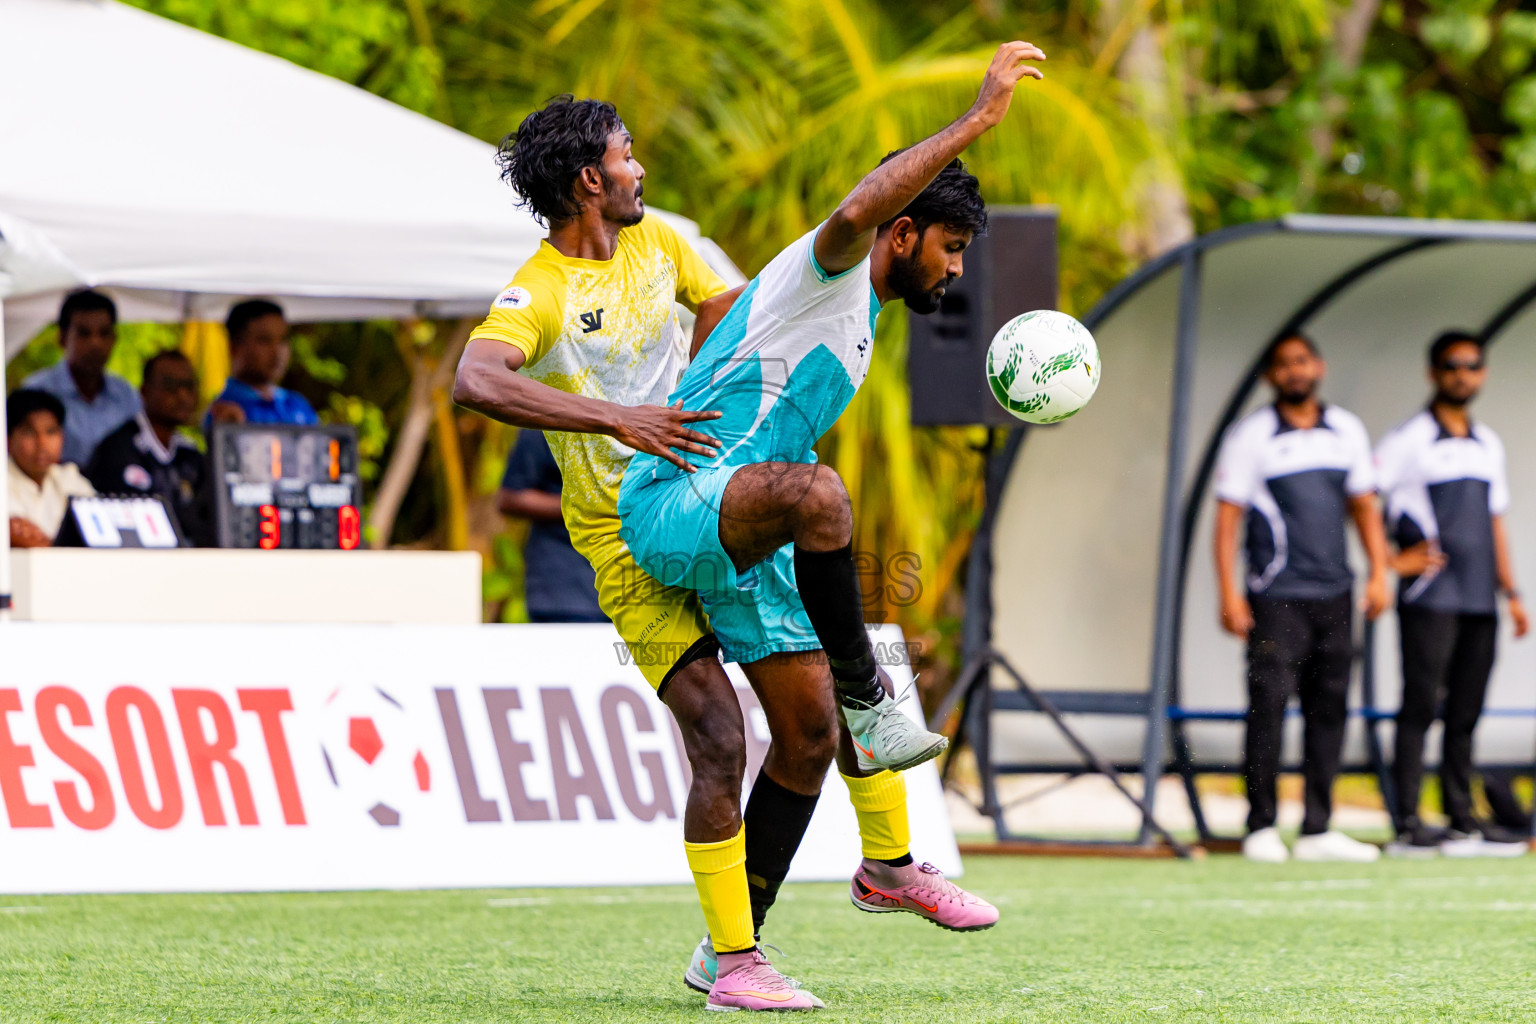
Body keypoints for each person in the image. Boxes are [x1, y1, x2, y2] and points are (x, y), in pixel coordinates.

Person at [453, 79, 1003, 1009]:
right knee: (719, 735)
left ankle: (863, 878)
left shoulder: (660, 241)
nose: (640, 169)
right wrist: (618, 418)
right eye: (627, 156)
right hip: (634, 535)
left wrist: (728, 389)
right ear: (591, 179)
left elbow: (740, 310)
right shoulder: (539, 292)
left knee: (811, 730)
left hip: (721, 502)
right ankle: (747, 952)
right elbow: (474, 378)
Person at [1213, 334, 1391, 864]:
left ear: (1318, 366)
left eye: (1302, 360)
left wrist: (1380, 572)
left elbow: (1364, 508)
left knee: (1329, 709)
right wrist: (1229, 592)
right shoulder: (1253, 437)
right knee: (1268, 707)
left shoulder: (1347, 432)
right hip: (1276, 597)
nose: (1295, 370)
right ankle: (1261, 825)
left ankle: (1318, 828)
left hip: (1336, 595)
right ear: (1271, 375)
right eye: (1283, 364)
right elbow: (1227, 523)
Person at [1375, 331, 1529, 857]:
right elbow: (1362, 497)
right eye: (1452, 365)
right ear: (1433, 372)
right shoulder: (1409, 439)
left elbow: (1496, 522)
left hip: (1479, 599)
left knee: (1466, 711)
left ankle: (1461, 818)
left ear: (1482, 373)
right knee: (1420, 707)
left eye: (1472, 365)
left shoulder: (1488, 444)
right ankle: (1408, 822)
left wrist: (1512, 592)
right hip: (1429, 598)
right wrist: (1390, 563)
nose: (1463, 374)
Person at [85, 350, 212, 547]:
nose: (182, 395)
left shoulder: (192, 455)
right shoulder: (117, 449)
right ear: (144, 391)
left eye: (189, 386)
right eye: (170, 385)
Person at [497, 429, 607, 623]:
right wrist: (588, 507)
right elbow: (510, 497)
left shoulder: (645, 408)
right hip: (564, 584)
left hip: (632, 583)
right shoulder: (547, 417)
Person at [22, 289, 141, 467]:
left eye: (104, 333)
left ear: (114, 339)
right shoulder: (36, 391)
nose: (95, 344)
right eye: (84, 333)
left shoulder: (127, 396)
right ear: (62, 338)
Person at [205, 300, 319, 429]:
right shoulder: (223, 412)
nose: (277, 352)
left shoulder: (297, 404)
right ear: (234, 347)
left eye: (283, 340)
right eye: (264, 340)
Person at [7, 389, 96, 547]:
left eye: (51, 432)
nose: (42, 444)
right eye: (29, 432)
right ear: (7, 439)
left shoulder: (70, 479)